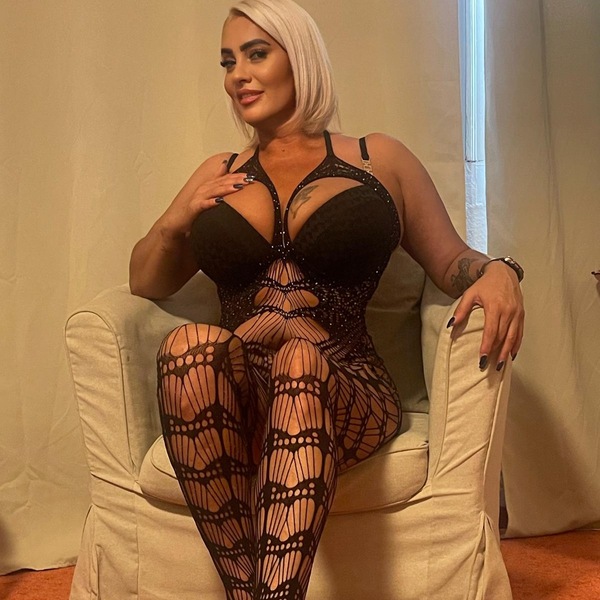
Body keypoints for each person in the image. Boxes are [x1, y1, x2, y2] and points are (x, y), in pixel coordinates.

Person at [129, 0, 524, 598]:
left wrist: (498, 270)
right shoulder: (219, 170)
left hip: (346, 385)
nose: (238, 75)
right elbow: (146, 281)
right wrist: (177, 220)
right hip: (243, 392)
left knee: (299, 359)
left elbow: (449, 260)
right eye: (228, 61)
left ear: (300, 58)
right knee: (188, 347)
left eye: (256, 54)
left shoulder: (377, 158)